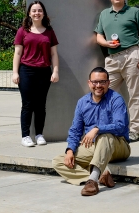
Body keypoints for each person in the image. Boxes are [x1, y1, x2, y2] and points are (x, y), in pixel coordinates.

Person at [52, 67, 131, 196]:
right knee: (59, 161)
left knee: (105, 136)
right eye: (95, 82)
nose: (98, 85)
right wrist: (70, 150)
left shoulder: (116, 99)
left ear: (108, 83)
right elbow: (75, 130)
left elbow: (121, 126)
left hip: (118, 145)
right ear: (89, 83)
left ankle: (92, 181)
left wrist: (97, 129)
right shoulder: (82, 102)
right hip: (93, 146)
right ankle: (100, 176)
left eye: (102, 82)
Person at [95, 0, 139, 142]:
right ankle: (109, 127)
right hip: (111, 58)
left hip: (132, 54)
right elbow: (98, 36)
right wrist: (106, 43)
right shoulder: (104, 14)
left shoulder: (134, 12)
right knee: (104, 93)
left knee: (135, 95)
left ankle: (135, 130)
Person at [13, 0, 59, 147]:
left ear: (43, 13)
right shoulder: (22, 31)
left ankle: (39, 134)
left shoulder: (49, 31)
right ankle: (25, 135)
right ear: (29, 13)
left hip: (44, 71)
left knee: (40, 105)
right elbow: (18, 53)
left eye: (39, 10)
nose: (37, 13)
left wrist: (55, 71)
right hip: (26, 70)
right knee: (27, 105)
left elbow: (54, 54)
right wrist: (15, 72)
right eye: (34, 10)